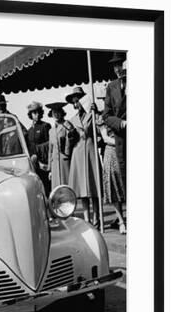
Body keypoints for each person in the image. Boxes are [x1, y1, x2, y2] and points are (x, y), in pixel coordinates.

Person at [66, 86, 102, 227]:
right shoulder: (71, 120)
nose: (76, 104)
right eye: (74, 102)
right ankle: (87, 219)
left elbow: (99, 128)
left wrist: (96, 112)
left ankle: (96, 217)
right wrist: (70, 135)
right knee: (82, 190)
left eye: (78, 101)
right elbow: (70, 141)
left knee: (93, 187)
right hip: (78, 154)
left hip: (90, 151)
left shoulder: (91, 115)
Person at [102, 52, 127, 191]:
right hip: (121, 140)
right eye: (114, 66)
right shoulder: (111, 87)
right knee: (126, 179)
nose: (117, 69)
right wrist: (120, 123)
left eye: (120, 64)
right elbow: (106, 115)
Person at [98, 120, 126, 233]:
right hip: (113, 151)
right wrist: (121, 143)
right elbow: (105, 138)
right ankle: (121, 221)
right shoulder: (103, 119)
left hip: (125, 150)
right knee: (115, 186)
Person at [46, 102, 78, 190]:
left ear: (62, 113)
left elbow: (72, 140)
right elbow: (50, 150)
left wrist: (66, 154)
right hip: (55, 164)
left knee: (67, 187)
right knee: (57, 190)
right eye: (53, 113)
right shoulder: (51, 131)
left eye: (58, 112)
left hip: (65, 162)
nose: (56, 115)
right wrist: (50, 170)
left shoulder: (67, 125)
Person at [26, 101, 51, 195]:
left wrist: (38, 156)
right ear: (30, 114)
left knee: (46, 188)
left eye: (38, 112)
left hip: (43, 163)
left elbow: (48, 145)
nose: (36, 114)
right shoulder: (29, 130)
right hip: (33, 164)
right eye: (34, 112)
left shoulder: (45, 126)